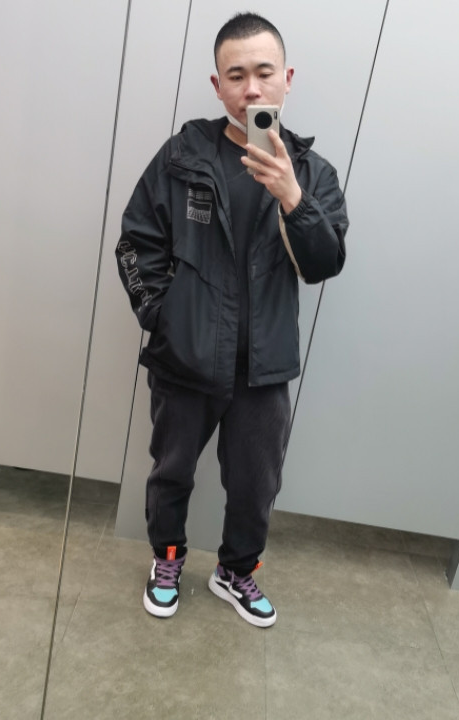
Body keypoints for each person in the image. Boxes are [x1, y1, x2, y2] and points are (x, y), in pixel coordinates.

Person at [115, 12, 347, 627]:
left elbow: (325, 264)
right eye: (236, 75)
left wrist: (292, 198)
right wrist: (162, 316)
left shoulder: (313, 174)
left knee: (255, 486)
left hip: (264, 368)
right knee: (171, 474)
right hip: (185, 358)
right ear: (217, 86)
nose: (251, 89)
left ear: (287, 79)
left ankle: (236, 571)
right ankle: (167, 559)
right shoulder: (183, 155)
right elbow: (136, 242)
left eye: (264, 73)